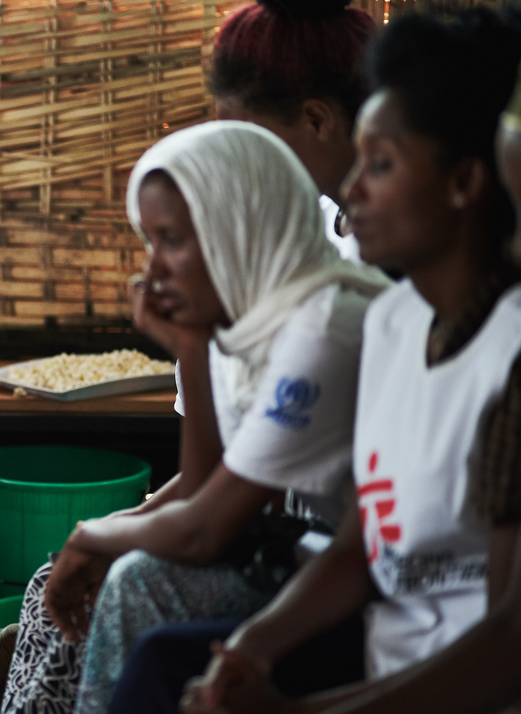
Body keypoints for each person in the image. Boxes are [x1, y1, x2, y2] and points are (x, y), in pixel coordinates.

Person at [107, 8, 521, 714]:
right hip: (380, 642)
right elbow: (363, 549)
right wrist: (251, 650)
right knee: (163, 666)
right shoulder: (391, 322)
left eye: (382, 165)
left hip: (459, 682)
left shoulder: (504, 356)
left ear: (466, 183)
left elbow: (508, 646)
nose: (353, 190)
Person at [0, 121, 390, 714]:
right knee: (51, 583)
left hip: (348, 585)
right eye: (150, 241)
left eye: (173, 239)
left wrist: (94, 534)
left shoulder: (323, 327)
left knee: (131, 582)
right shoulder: (248, 323)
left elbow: (205, 526)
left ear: (242, 228)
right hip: (295, 554)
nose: (153, 271)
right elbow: (213, 481)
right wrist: (190, 344)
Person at [209, 0, 375, 261]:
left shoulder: (405, 249)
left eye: (250, 144)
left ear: (317, 121)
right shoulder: (313, 223)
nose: (239, 166)